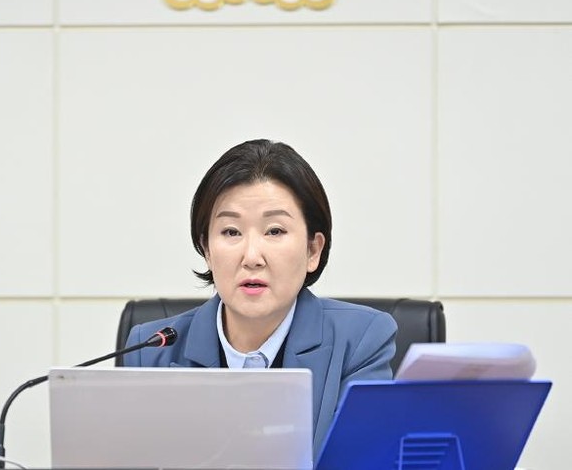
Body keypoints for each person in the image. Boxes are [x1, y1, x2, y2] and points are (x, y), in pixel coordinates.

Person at [124, 139, 397, 457]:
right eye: (231, 232)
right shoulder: (150, 351)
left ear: (313, 250)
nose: (252, 257)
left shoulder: (361, 341)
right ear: (207, 249)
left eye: (275, 231)